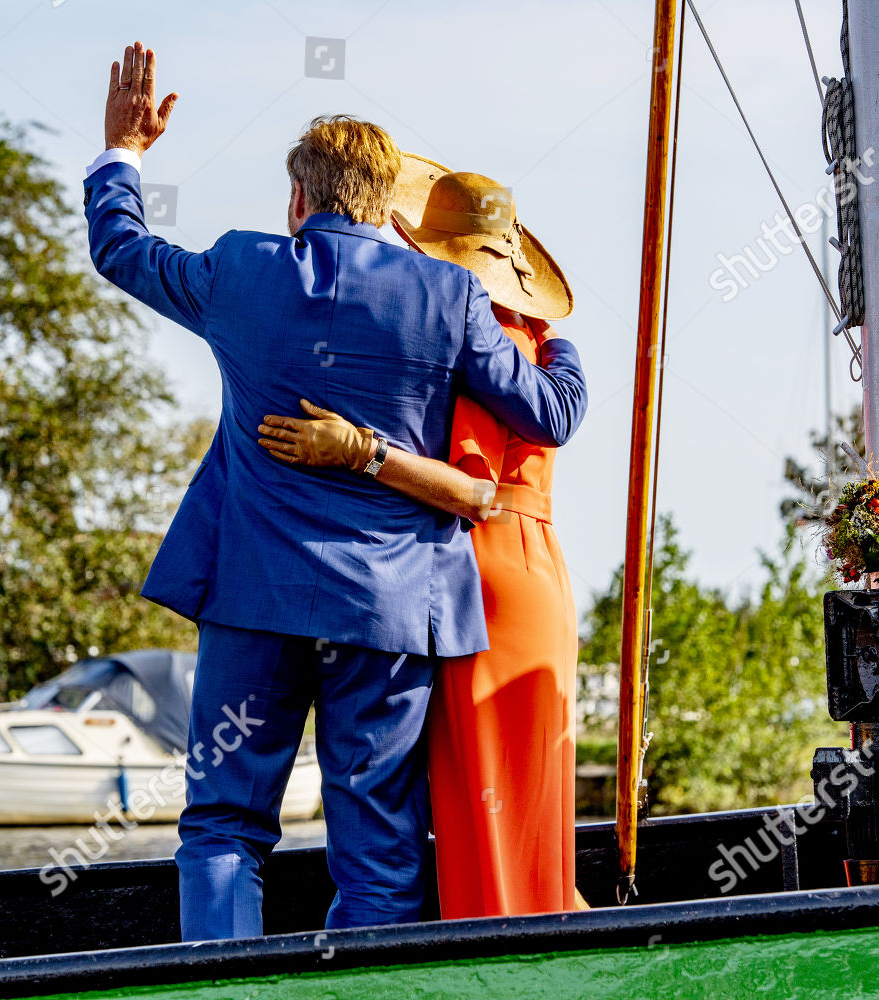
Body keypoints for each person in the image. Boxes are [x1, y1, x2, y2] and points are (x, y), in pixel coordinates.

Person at [85, 43, 587, 940]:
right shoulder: (448, 296)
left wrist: (124, 151)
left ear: (297, 201)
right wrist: (554, 325)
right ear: (383, 204)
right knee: (380, 843)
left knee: (222, 826)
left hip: (253, 601)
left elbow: (120, 248)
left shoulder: (240, 270)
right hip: (391, 616)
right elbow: (551, 415)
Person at [258, 155, 581, 917]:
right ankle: (544, 930)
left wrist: (359, 449)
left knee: (480, 803)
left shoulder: (471, 339)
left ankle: (500, 957)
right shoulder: (543, 343)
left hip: (479, 572)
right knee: (530, 801)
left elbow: (474, 494)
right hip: (540, 574)